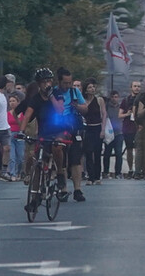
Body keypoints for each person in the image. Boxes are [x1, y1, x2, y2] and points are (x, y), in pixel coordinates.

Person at [20, 68, 73, 202]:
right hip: (44, 132)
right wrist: (21, 131)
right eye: (44, 82)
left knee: (57, 147)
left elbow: (60, 110)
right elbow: (27, 115)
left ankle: (60, 173)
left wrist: (51, 96)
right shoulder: (35, 99)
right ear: (39, 84)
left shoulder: (57, 93)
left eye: (49, 81)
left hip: (59, 130)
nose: (47, 84)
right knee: (38, 162)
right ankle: (35, 196)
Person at [52, 68, 89, 201]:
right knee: (59, 151)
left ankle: (77, 189)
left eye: (70, 82)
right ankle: (63, 187)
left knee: (75, 158)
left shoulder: (75, 91)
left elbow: (85, 108)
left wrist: (77, 107)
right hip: (58, 127)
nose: (68, 86)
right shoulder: (54, 92)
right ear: (59, 81)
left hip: (74, 128)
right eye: (65, 83)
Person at [81, 78, 107, 186]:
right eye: (90, 87)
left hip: (97, 127)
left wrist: (103, 129)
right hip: (88, 128)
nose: (92, 89)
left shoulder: (99, 100)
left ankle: (97, 176)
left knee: (97, 153)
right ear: (86, 90)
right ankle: (90, 176)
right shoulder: (82, 101)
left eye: (93, 87)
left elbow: (104, 114)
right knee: (88, 152)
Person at [118, 80, 141, 178]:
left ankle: (138, 169)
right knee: (129, 150)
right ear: (131, 87)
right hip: (128, 128)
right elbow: (119, 115)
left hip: (139, 128)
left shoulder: (142, 99)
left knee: (139, 150)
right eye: (135, 86)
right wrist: (127, 114)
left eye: (138, 86)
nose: (137, 88)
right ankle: (131, 169)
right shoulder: (126, 100)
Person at [103, 90, 124, 179]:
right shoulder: (106, 107)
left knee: (119, 153)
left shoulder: (121, 108)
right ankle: (105, 172)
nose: (114, 99)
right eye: (113, 97)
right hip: (109, 133)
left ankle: (118, 172)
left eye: (116, 97)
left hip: (119, 133)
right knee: (107, 153)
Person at [6, 94, 24, 181]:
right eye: (10, 101)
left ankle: (18, 172)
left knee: (20, 157)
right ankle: (12, 173)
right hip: (10, 134)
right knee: (12, 156)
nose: (12, 103)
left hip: (19, 134)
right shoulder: (7, 114)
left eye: (13, 101)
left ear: (18, 102)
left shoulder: (22, 114)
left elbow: (23, 125)